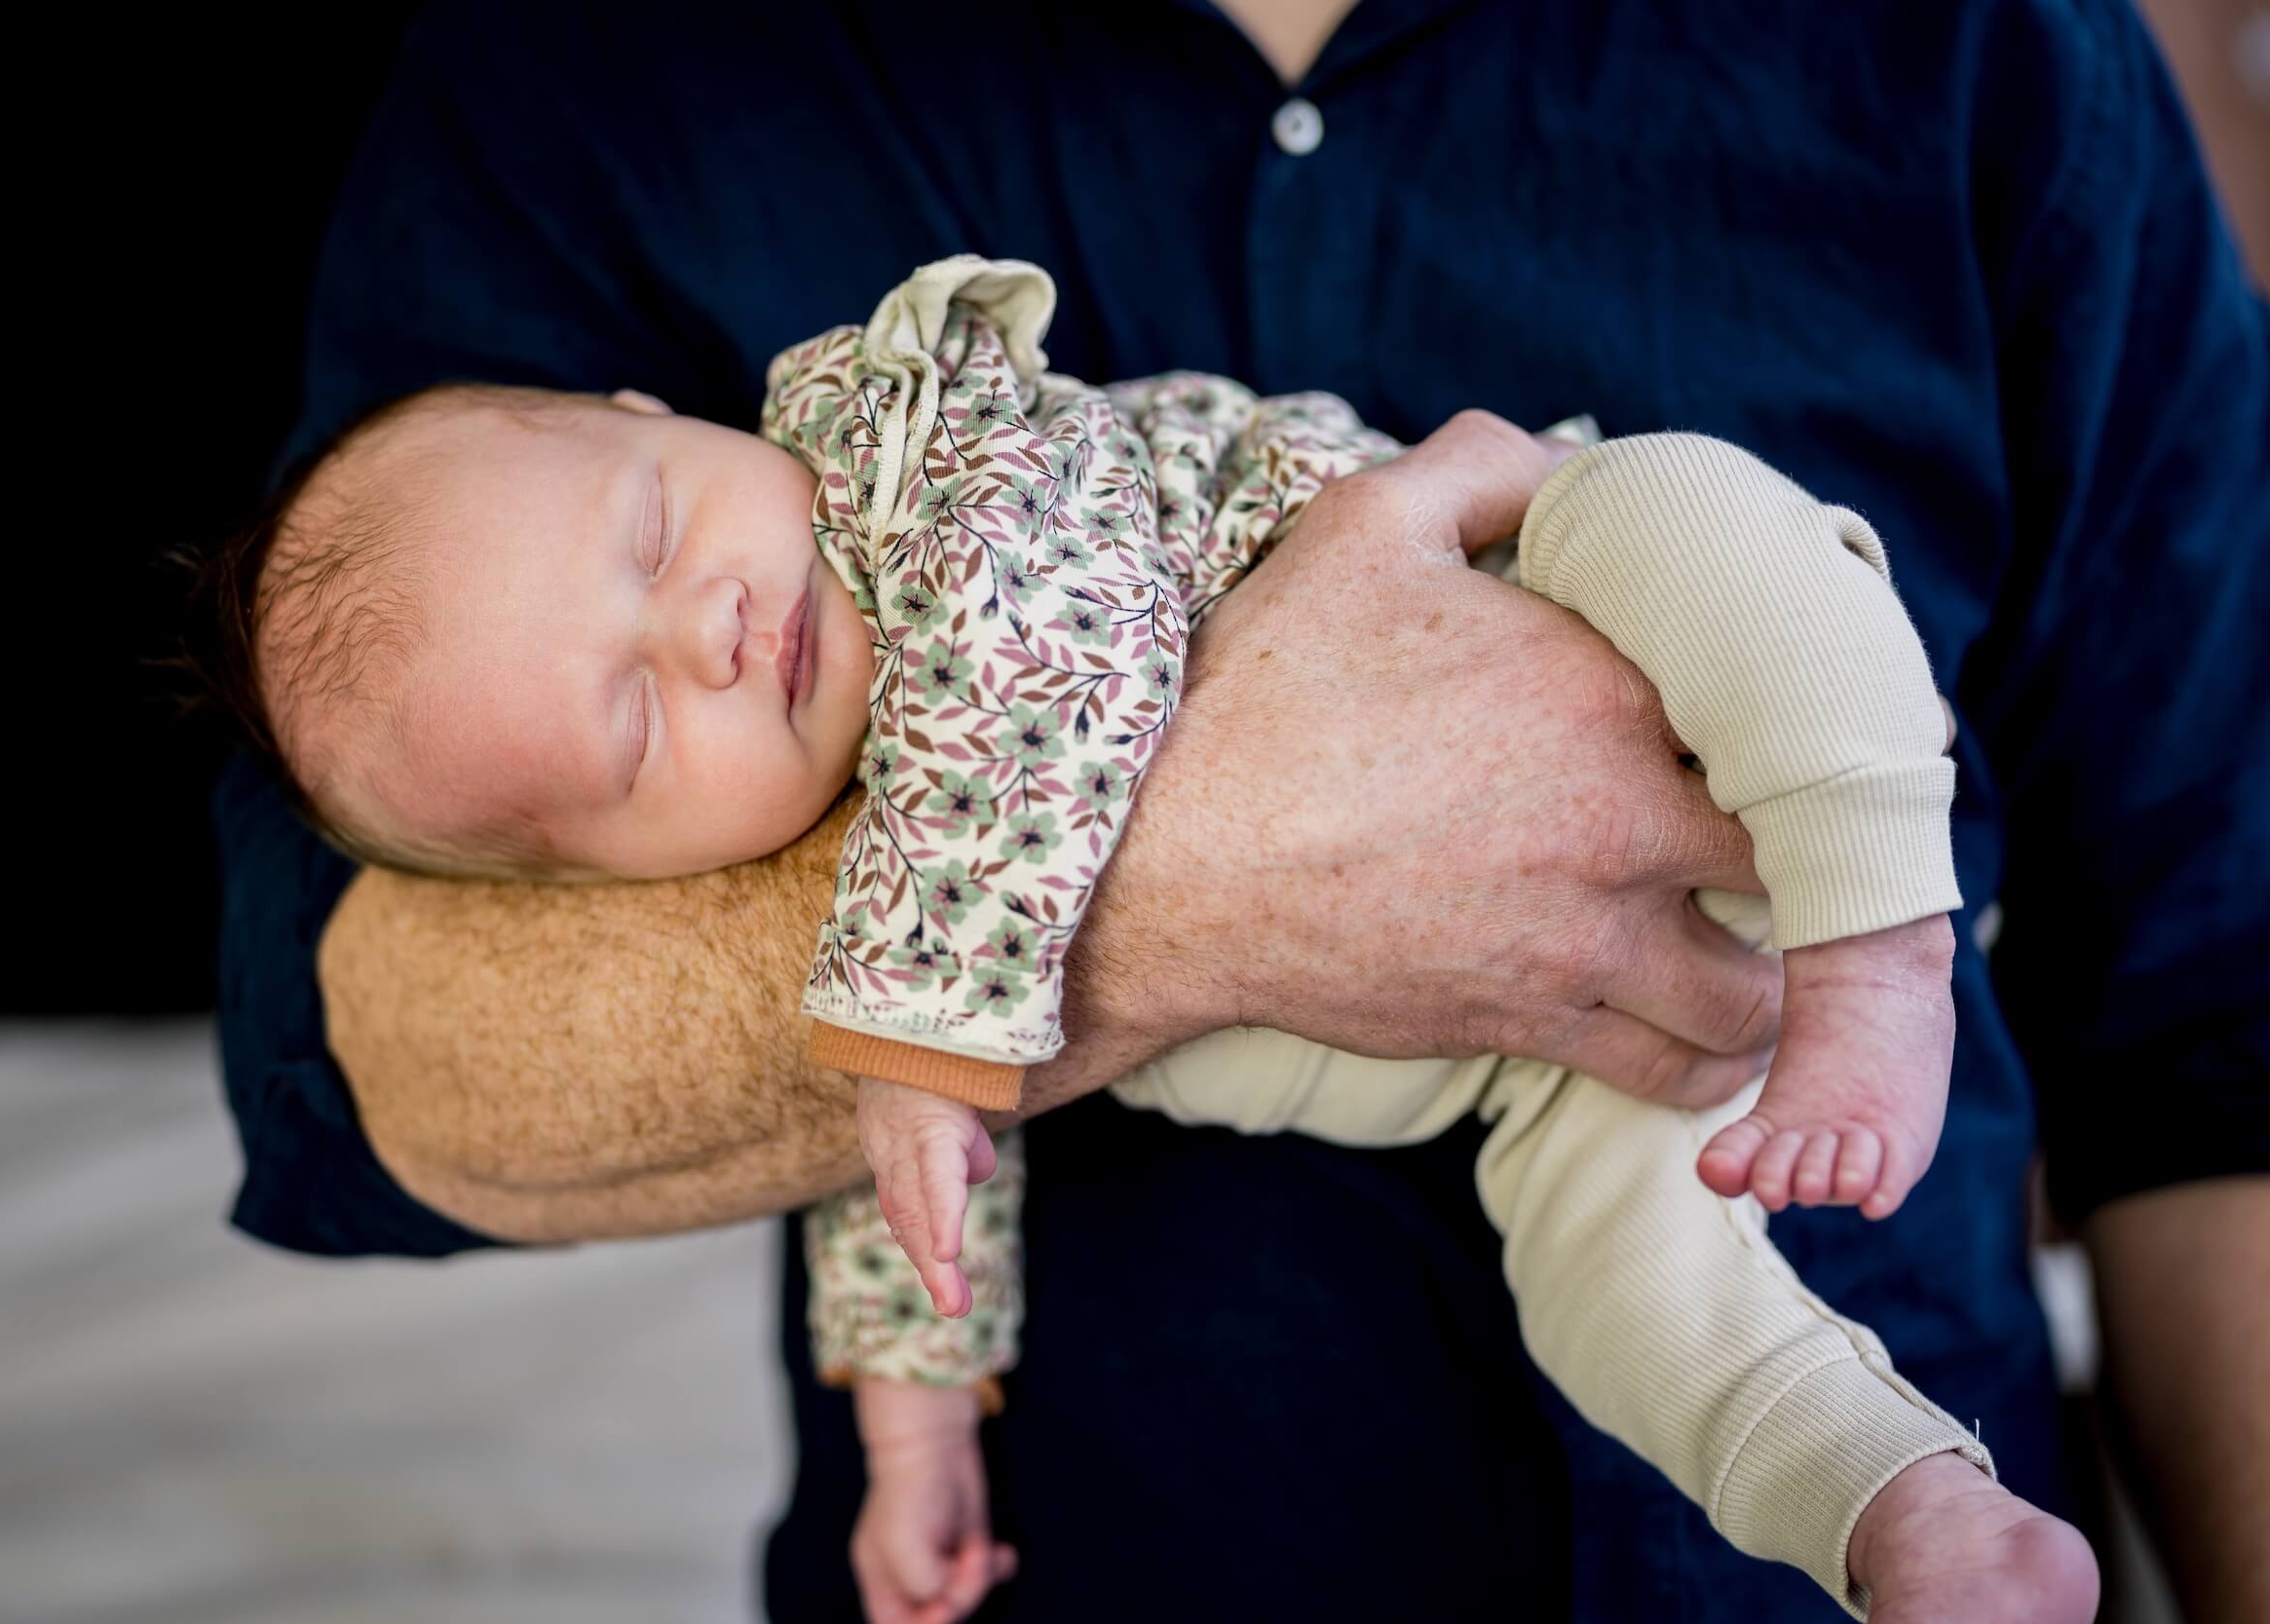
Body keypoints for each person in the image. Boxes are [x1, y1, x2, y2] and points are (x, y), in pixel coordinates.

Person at [212, 3, 2270, 1619]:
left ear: (669, 420)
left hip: (1570, 577)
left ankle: (1872, 941)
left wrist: (945, 1007)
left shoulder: (913, 443)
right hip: (1541, 1142)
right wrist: (920, 1432)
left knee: (1699, 525)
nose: (706, 624)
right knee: (1647, 1309)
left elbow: (2216, 1003)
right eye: (627, 742)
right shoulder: (569, 80)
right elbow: (872, 1196)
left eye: (657, 530)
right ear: (610, 857)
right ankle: (1896, 1509)